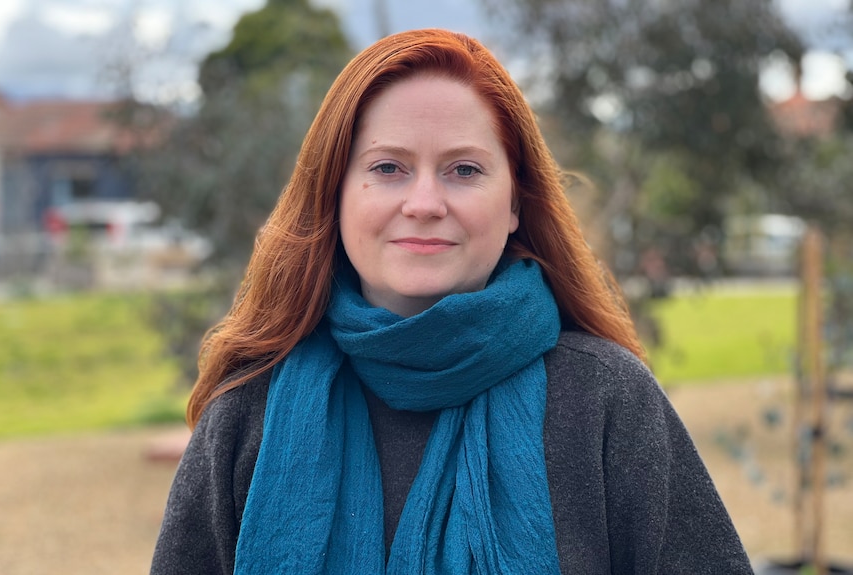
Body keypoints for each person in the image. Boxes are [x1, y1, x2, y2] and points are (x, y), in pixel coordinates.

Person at [150, 28, 753, 574]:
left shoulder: (607, 402)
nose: (425, 203)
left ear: (516, 202)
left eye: (464, 170)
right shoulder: (248, 411)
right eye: (388, 167)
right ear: (334, 195)